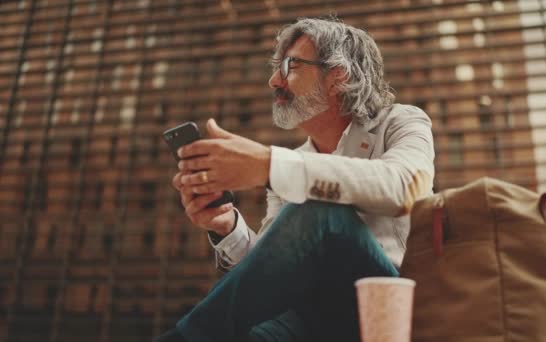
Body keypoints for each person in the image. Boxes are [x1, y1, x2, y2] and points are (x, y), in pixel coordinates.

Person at [156, 17, 435, 342]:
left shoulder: (401, 121)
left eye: (291, 66)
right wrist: (227, 226)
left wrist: (270, 166)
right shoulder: (295, 159)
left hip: (393, 304)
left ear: (336, 78)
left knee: (318, 211)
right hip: (312, 317)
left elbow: (405, 186)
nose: (274, 80)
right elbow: (274, 269)